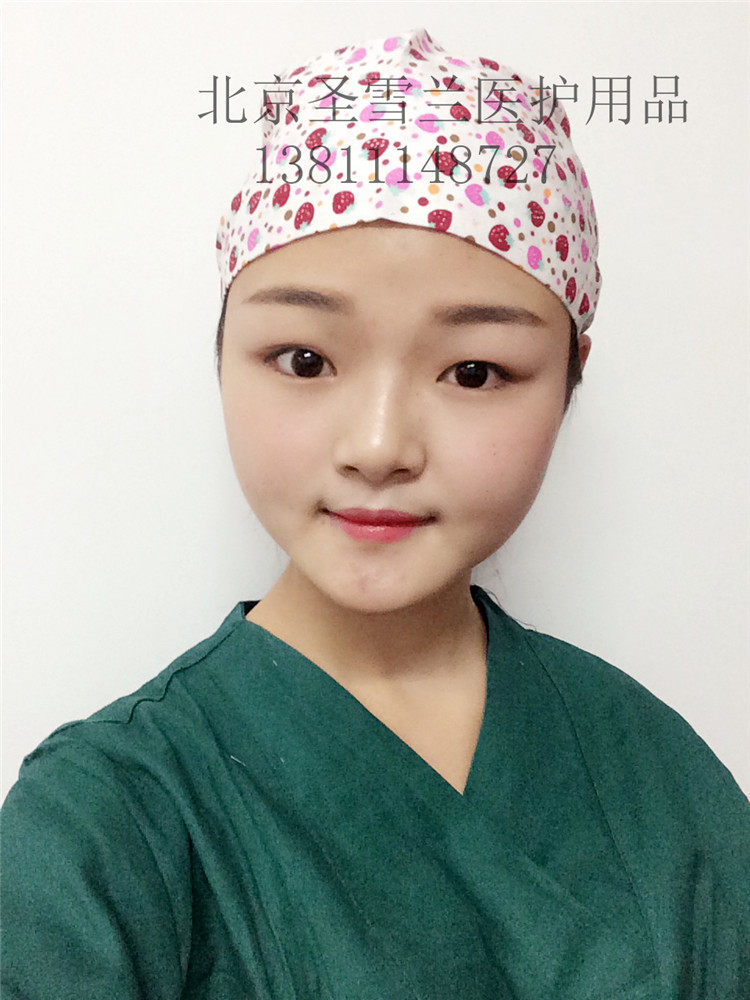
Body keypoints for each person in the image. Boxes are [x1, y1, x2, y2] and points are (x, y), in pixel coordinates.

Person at [1, 27, 747, 1000]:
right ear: (222, 355)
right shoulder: (104, 832)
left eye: (473, 372)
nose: (380, 444)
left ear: (569, 380)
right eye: (306, 360)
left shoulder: (658, 780)